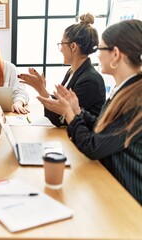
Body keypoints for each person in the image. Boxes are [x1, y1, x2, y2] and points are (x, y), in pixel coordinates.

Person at [37, 19, 142, 204]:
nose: (97, 55)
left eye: (101, 49)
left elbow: (93, 146)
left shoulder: (135, 101)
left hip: (127, 198)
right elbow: (104, 129)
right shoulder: (127, 90)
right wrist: (78, 111)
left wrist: (70, 114)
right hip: (113, 185)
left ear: (115, 54)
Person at [18, 13, 106, 127]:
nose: (60, 50)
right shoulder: (72, 71)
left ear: (73, 46)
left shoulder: (90, 80)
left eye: (62, 44)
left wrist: (41, 89)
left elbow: (60, 118)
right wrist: (42, 88)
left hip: (80, 141)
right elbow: (61, 103)